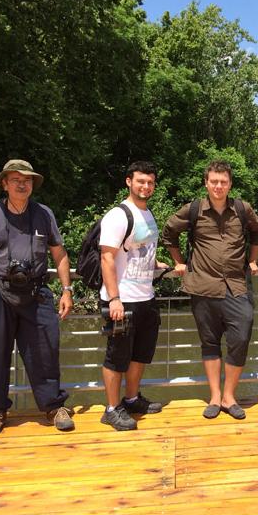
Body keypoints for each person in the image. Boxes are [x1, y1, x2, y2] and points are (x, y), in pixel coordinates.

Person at [0, 159, 74, 437]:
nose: (22, 184)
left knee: (45, 350)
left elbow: (59, 254)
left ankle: (53, 407)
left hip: (36, 291)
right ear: (4, 184)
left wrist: (67, 290)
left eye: (27, 180)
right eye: (16, 180)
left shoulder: (44, 214)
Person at [161, 160, 258, 420]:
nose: (218, 186)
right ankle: (216, 397)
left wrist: (253, 259)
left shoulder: (242, 209)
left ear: (230, 184)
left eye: (223, 182)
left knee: (241, 338)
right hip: (203, 286)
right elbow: (169, 232)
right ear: (206, 183)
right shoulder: (193, 209)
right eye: (214, 181)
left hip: (237, 286)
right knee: (209, 342)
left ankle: (230, 396)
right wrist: (179, 262)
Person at [98, 161, 169, 431]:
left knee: (140, 353)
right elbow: (107, 258)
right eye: (141, 181)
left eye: (150, 182)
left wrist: (156, 264)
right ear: (129, 181)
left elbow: (140, 249)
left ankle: (131, 399)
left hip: (146, 297)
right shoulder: (118, 215)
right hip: (123, 298)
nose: (146, 186)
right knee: (117, 356)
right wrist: (114, 298)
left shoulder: (148, 214)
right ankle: (111, 409)